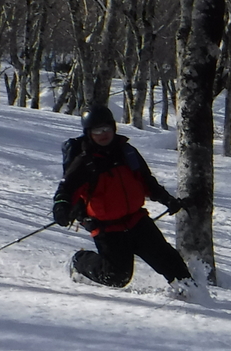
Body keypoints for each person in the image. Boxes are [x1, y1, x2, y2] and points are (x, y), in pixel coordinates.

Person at [52, 105, 197, 295]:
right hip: (107, 229)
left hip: (137, 221)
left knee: (172, 263)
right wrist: (61, 207)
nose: (103, 134)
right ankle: (79, 261)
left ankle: (195, 295)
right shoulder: (84, 163)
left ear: (113, 128)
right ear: (89, 133)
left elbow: (146, 180)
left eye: (107, 129)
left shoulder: (127, 152)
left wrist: (167, 199)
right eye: (97, 130)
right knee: (116, 277)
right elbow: (66, 189)